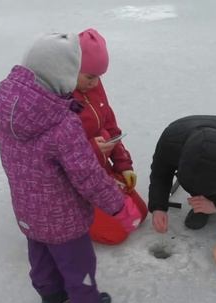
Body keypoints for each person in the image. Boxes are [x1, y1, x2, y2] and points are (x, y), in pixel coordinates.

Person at [0, 33, 133, 303]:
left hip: (26, 208)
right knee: (77, 262)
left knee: (40, 257)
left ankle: (51, 298)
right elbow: (87, 174)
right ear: (63, 75)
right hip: (63, 214)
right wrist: (118, 206)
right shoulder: (61, 123)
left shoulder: (8, 110)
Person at [71, 28, 148, 245]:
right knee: (116, 233)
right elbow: (62, 154)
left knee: (140, 213)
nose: (95, 83)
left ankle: (110, 187)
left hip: (101, 170)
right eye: (90, 77)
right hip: (78, 183)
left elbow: (111, 126)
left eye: (99, 77)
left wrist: (124, 165)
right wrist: (93, 150)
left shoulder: (94, 87)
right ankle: (78, 214)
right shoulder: (61, 97)